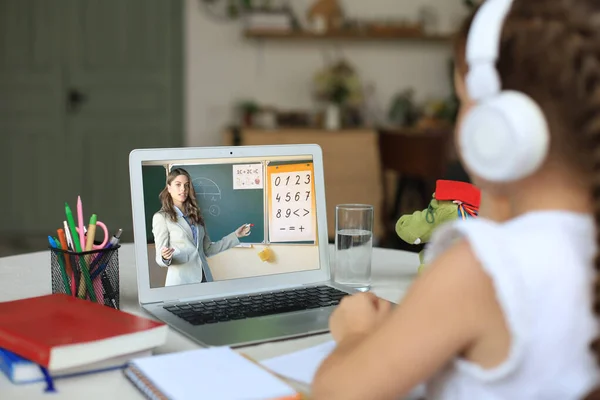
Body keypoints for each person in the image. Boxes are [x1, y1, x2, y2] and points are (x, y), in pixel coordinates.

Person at [312, 1, 600, 399]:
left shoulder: (481, 270)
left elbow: (335, 393)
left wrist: (355, 333)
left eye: (462, 102)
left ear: (498, 128)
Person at [152, 168, 251, 286]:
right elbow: (160, 258)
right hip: (181, 283)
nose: (183, 189)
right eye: (178, 185)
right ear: (169, 188)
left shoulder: (195, 214)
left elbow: (208, 250)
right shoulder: (161, 217)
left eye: (186, 185)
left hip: (205, 279)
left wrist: (235, 236)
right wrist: (165, 257)